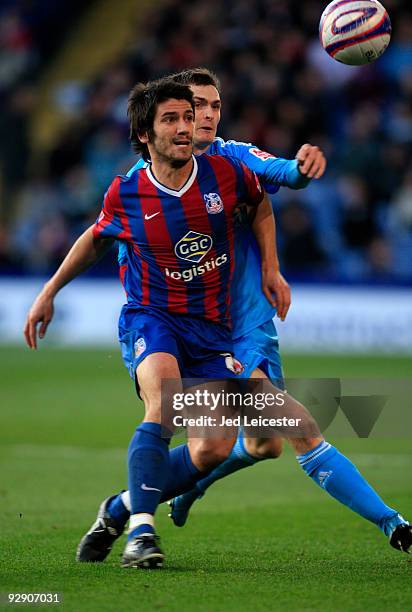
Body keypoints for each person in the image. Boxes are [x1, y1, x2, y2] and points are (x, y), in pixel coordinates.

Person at [73, 69, 411, 560]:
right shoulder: (142, 184)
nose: (205, 116)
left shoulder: (232, 158)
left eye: (214, 106)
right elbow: (113, 239)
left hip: (246, 323)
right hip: (201, 330)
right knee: (293, 430)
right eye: (194, 107)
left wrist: (273, 262)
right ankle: (394, 525)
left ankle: (133, 503)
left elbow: (274, 183)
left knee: (260, 445)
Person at [24, 77, 283, 569]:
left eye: (189, 116)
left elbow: (264, 203)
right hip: (152, 317)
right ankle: (142, 533)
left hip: (211, 330)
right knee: (162, 404)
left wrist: (271, 266)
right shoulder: (127, 192)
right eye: (171, 119)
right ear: (145, 133)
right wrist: (49, 290)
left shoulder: (224, 174)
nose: (185, 127)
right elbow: (97, 238)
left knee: (212, 448)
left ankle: (121, 506)